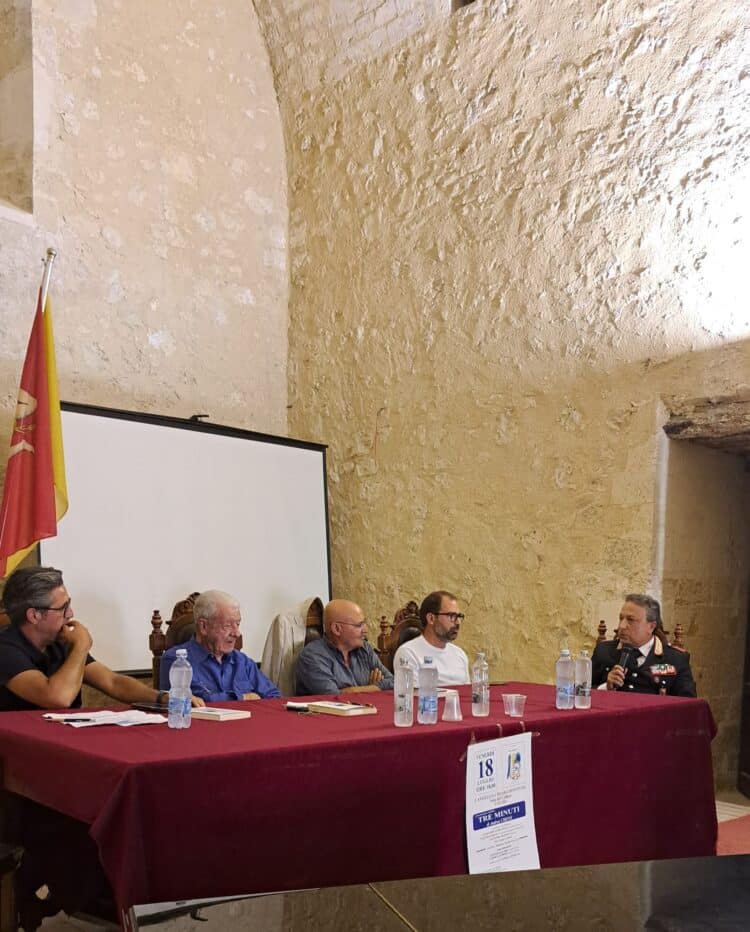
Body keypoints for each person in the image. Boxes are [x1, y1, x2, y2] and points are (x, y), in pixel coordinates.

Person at [0, 565, 199, 712]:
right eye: (62, 608)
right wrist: (81, 646)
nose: (70, 614)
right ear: (34, 615)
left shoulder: (60, 641)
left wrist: (163, 698)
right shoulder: (5, 649)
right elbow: (58, 698)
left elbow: (113, 682)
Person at [159, 589, 281, 700]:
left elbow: (274, 697)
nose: (237, 633)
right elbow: (200, 701)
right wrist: (244, 697)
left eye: (237, 624)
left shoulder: (242, 662)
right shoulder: (176, 661)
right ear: (203, 627)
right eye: (227, 625)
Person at [592, 593, 697, 697]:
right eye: (621, 618)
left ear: (651, 627)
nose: (622, 626)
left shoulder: (675, 660)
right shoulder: (603, 652)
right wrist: (606, 687)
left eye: (630, 620)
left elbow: (688, 704)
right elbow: (584, 692)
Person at [295, 599, 394, 695]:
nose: (365, 630)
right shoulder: (312, 656)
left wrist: (357, 690)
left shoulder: (364, 648)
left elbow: (393, 682)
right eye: (359, 625)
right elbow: (333, 697)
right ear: (337, 629)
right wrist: (373, 688)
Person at [393, 590, 470, 686]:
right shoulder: (408, 653)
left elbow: (468, 692)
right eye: (452, 616)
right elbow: (411, 694)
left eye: (459, 616)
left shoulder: (460, 654)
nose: (458, 622)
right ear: (431, 618)